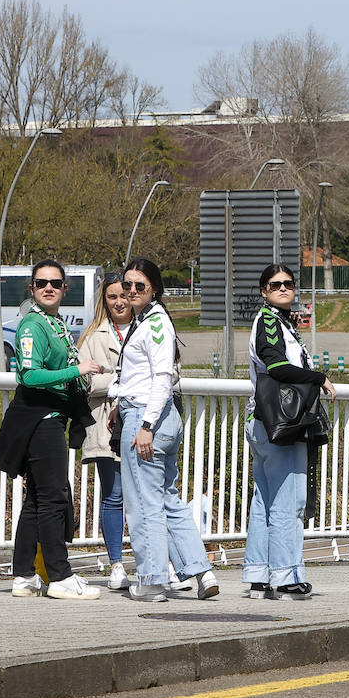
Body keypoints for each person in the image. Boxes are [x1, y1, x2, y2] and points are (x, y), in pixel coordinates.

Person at [0, 260, 104, 599]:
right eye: (41, 283)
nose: (49, 288)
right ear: (32, 288)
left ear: (65, 288)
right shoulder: (32, 325)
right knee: (54, 497)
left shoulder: (54, 323)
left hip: (52, 416)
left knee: (38, 498)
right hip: (40, 419)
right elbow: (29, 375)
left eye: (55, 283)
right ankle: (59, 576)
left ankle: (24, 576)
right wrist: (76, 370)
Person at [111, 258, 219, 602]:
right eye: (127, 285)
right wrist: (119, 402)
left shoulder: (154, 322)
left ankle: (153, 580)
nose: (131, 292)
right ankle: (202, 572)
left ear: (154, 289)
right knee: (169, 500)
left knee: (144, 503)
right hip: (157, 414)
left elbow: (162, 377)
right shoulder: (148, 321)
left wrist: (144, 425)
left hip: (150, 416)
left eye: (139, 286)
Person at [244, 264, 336, 600]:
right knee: (289, 500)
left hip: (265, 422)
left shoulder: (279, 320)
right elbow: (276, 365)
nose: (283, 288)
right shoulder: (269, 320)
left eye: (288, 284)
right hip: (278, 425)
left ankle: (258, 574)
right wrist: (318, 377)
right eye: (275, 285)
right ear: (264, 291)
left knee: (265, 499)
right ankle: (285, 577)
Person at [76, 273, 134, 590]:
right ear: (104, 300)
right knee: (113, 496)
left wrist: (115, 378)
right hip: (105, 423)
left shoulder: (148, 327)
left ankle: (157, 561)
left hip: (141, 423)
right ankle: (116, 565)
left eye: (124, 295)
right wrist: (119, 381)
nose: (119, 302)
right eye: (112, 296)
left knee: (145, 496)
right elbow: (84, 381)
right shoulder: (92, 336)